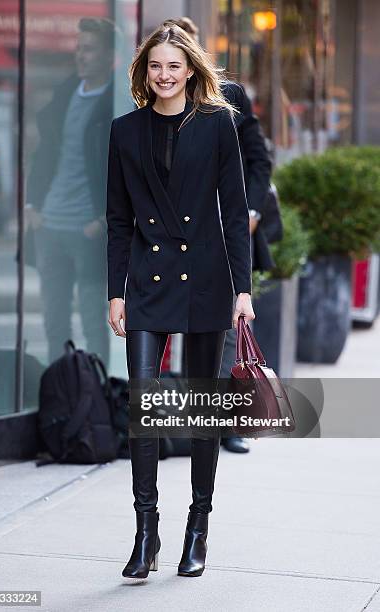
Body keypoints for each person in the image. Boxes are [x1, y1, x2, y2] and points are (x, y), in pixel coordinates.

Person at [107, 23, 255, 580]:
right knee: (142, 411)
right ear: (144, 72)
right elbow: (119, 221)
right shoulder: (125, 132)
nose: (164, 75)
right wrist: (115, 291)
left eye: (173, 65)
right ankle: (146, 533)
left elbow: (235, 212)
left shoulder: (217, 126)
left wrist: (242, 289)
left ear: (190, 70)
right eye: (154, 66)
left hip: (205, 283)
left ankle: (198, 527)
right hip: (146, 280)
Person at [164, 18, 274, 454]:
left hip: (221, 232)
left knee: (223, 327)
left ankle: (223, 424)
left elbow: (258, 160)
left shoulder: (228, 97)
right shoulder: (148, 100)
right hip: (169, 234)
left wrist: (248, 211)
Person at [26, 18, 119, 368]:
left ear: (109, 54)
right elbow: (45, 153)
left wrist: (102, 220)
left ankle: (96, 403)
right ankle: (58, 399)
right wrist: (33, 205)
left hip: (88, 230)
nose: (80, 56)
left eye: (89, 49)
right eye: (78, 48)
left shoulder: (116, 102)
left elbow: (126, 169)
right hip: (50, 225)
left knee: (96, 325)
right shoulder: (65, 94)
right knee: (54, 325)